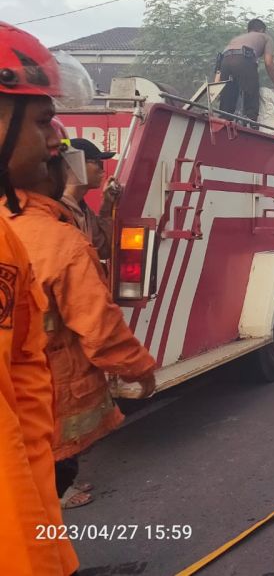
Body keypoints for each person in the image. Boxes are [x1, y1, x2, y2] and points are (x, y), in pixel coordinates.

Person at [4, 140, 157, 510]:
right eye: (92, 163)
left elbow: (102, 243)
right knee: (43, 484)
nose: (101, 169)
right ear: (59, 170)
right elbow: (99, 327)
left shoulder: (19, 222)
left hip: (18, 388)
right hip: (50, 382)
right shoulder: (59, 237)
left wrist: (107, 206)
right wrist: (141, 370)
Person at [0, 22, 79, 575]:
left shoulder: (9, 236)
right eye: (44, 122)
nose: (56, 142)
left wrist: (51, 553)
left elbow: (23, 395)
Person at [216, 18, 274, 123]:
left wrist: (217, 87)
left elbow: (220, 65)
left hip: (225, 61)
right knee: (252, 96)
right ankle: (251, 124)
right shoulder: (266, 37)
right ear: (262, 30)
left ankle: (222, 122)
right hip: (244, 59)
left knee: (227, 103)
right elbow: (268, 62)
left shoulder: (237, 39)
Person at [61, 137, 118, 261]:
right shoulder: (56, 209)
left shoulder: (83, 210)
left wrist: (106, 206)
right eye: (98, 163)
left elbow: (103, 249)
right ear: (76, 164)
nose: (102, 170)